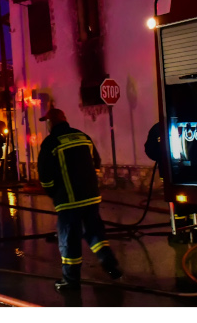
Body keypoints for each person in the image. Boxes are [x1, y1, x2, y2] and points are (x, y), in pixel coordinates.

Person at [37, 107, 122, 291]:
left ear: (51, 123)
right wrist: (89, 184)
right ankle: (110, 264)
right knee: (94, 233)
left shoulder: (51, 143)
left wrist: (54, 193)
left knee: (68, 240)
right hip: (91, 197)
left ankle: (70, 281)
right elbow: (96, 163)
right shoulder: (82, 136)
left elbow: (45, 176)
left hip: (68, 201)